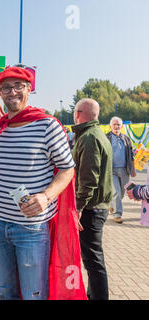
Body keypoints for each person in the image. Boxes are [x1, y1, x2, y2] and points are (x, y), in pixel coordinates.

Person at [0, 67, 77, 300]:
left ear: (29, 89)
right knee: (6, 292)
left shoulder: (47, 125)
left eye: (19, 86)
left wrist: (46, 197)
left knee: (33, 294)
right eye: (6, 87)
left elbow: (67, 169)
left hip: (31, 227)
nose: (12, 91)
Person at [72, 98, 113, 300]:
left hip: (91, 208)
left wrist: (78, 207)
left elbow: (88, 179)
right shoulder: (97, 134)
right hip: (97, 206)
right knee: (93, 259)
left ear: (78, 113)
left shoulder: (88, 137)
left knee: (93, 260)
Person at [106, 116, 136, 224]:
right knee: (116, 193)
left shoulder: (126, 138)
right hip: (111, 170)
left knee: (122, 193)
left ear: (121, 126)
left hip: (124, 170)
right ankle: (117, 215)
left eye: (118, 124)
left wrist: (133, 169)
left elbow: (131, 155)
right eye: (114, 124)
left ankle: (111, 205)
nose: (116, 126)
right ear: (110, 126)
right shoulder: (106, 138)